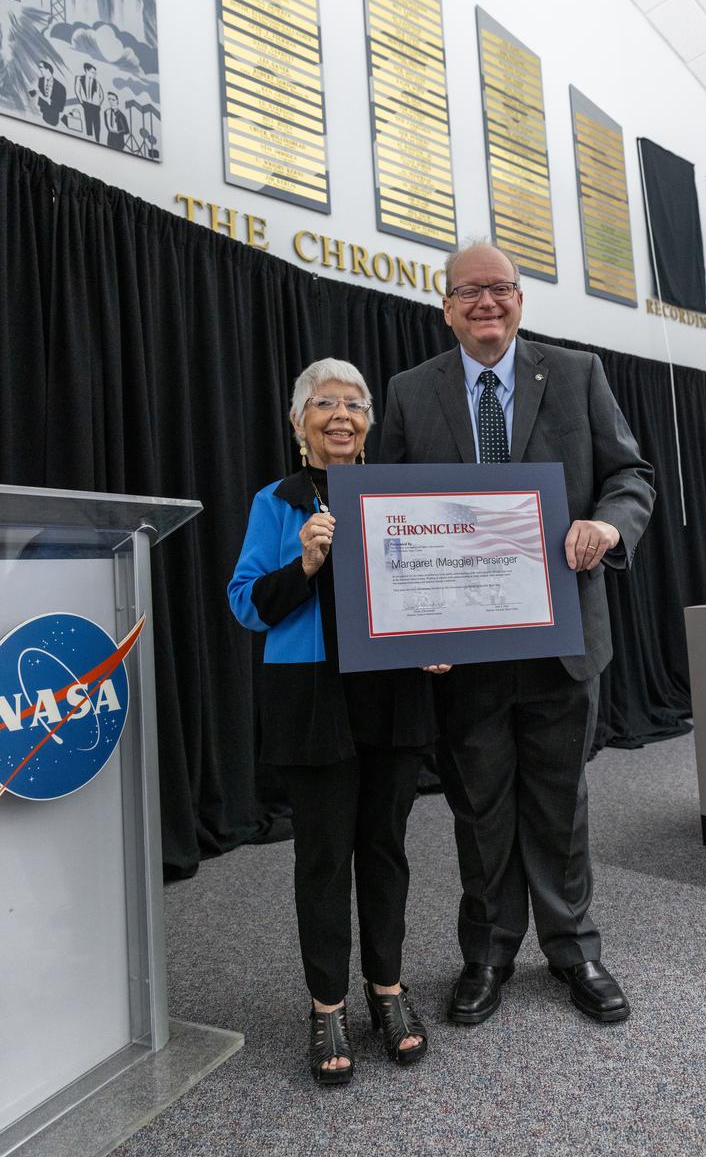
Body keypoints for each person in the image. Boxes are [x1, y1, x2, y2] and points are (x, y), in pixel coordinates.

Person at [380, 239, 655, 1027]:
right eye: (468, 292)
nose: (485, 304)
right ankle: (490, 953)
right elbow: (387, 517)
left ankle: (573, 948)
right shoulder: (408, 392)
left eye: (498, 289)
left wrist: (607, 525)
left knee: (560, 801)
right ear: (445, 307)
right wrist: (407, 626)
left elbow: (629, 476)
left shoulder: (575, 374)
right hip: (463, 647)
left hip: (562, 635)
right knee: (478, 804)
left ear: (520, 299)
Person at [228, 359, 433, 1085]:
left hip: (390, 694)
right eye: (323, 404)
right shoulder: (274, 502)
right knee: (322, 860)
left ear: (370, 423)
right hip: (311, 700)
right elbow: (246, 604)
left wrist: (440, 639)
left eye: (353, 404)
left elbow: (426, 584)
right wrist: (305, 566)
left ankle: (388, 993)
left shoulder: (397, 496)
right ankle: (327, 1008)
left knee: (385, 848)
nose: (340, 415)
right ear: (297, 423)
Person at [29, 60, 66, 127]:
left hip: (53, 114)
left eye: (41, 67)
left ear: (47, 69)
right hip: (42, 110)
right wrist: (35, 92)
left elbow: (61, 103)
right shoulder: (40, 80)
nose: (40, 69)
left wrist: (51, 102)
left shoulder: (60, 87)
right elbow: (34, 91)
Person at [74, 63, 104, 141]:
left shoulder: (97, 82)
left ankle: (98, 140)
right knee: (88, 122)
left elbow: (102, 95)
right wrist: (82, 102)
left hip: (95, 106)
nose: (94, 74)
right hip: (86, 104)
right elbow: (77, 91)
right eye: (92, 72)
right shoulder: (79, 78)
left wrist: (98, 104)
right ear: (86, 70)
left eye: (95, 73)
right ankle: (89, 138)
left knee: (97, 124)